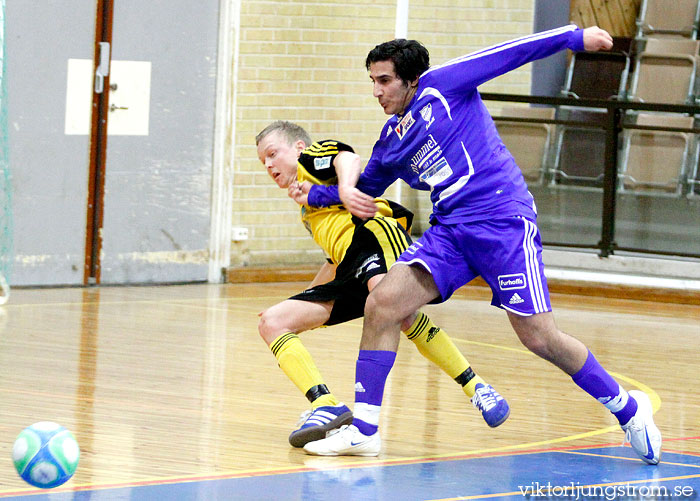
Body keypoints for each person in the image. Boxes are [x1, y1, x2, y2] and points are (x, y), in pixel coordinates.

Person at [293, 25, 662, 464]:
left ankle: (626, 407)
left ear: (411, 79)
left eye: (384, 80)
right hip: (450, 231)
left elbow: (510, 53)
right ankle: (365, 429)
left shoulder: (443, 85)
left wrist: (574, 38)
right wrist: (316, 194)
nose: (376, 91)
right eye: (371, 81)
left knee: (540, 338)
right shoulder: (391, 140)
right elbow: (364, 189)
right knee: (383, 304)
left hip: (502, 222)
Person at [255, 121, 510, 451]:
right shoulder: (306, 208)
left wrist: (346, 189)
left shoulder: (310, 161)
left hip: (373, 237)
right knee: (272, 322)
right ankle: (326, 405)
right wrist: (306, 297)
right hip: (349, 266)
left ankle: (477, 388)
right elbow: (334, 261)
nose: (269, 165)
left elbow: (346, 157)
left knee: (399, 314)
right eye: (264, 161)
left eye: (273, 154)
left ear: (300, 148)